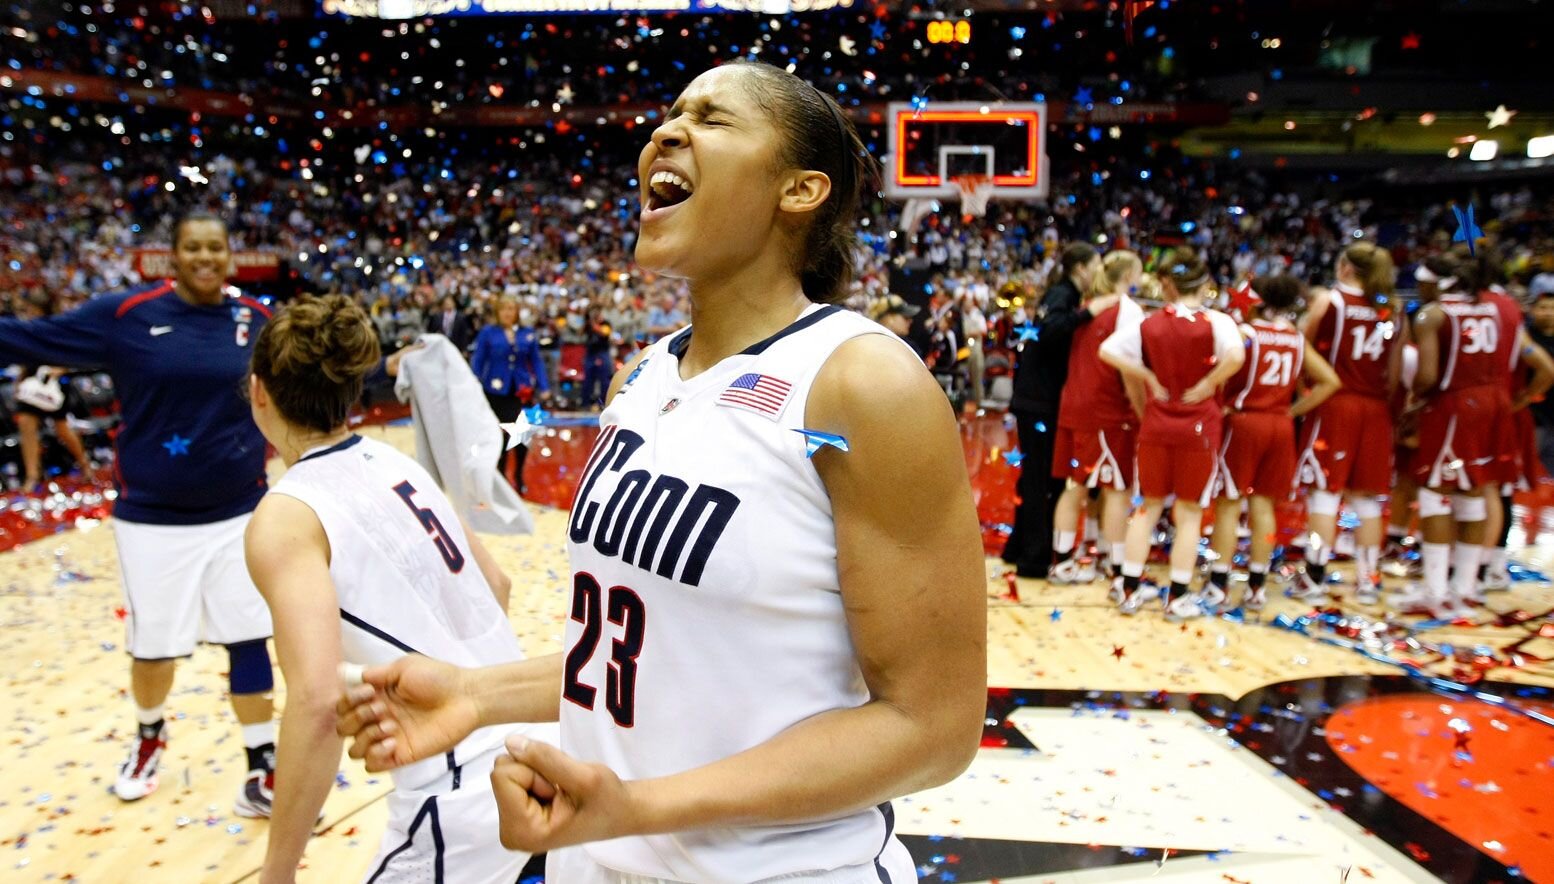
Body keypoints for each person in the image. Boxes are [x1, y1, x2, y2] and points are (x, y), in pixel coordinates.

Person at [336, 60, 986, 882]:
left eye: (713, 119)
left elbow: (932, 730)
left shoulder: (861, 383)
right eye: (671, 112)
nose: (667, 131)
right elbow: (641, 653)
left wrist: (645, 806)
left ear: (800, 190)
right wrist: (475, 694)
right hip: (597, 860)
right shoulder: (639, 380)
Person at [244, 294, 540, 884]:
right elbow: (498, 585)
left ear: (259, 392)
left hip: (458, 795)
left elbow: (316, 702)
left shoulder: (286, 515)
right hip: (537, 743)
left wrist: (277, 873)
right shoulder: (396, 462)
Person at [0, 212, 281, 814]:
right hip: (152, 518)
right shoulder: (125, 317)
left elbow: (309, 376)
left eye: (216, 246)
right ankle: (149, 738)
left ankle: (263, 765)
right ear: (171, 256)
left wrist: (391, 369)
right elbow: (28, 337)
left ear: (229, 254)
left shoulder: (257, 321)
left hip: (240, 511)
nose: (205, 257)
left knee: (248, 637)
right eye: (192, 247)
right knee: (153, 646)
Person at [1100, 248, 1245, 620]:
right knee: (1190, 512)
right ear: (1203, 283)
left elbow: (1108, 350)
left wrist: (1147, 375)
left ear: (1167, 285)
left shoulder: (1148, 323)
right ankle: (1178, 596)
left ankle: (1129, 589)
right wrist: (1210, 382)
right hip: (1199, 427)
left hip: (1157, 423)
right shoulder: (1217, 321)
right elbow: (1237, 357)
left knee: (1147, 508)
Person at [1207, 275, 1341, 610]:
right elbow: (1329, 381)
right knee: (1264, 507)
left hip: (1244, 423)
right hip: (1280, 427)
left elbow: (1219, 372)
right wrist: (1291, 410)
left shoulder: (1248, 334)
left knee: (1228, 505)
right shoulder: (1295, 337)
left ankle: (1218, 584)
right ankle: (1256, 586)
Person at [1294, 242, 1402, 603]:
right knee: (1368, 502)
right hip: (1376, 410)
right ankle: (1368, 582)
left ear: (1344, 267)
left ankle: (1314, 576)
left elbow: (1301, 351)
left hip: (1335, 405)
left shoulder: (1330, 301)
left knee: (1324, 495)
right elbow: (1397, 371)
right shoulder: (1392, 309)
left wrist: (1301, 394)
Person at [1004, 243, 1105, 578]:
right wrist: (1090, 313)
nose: (1099, 272)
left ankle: (1017, 547)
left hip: (1035, 399)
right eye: (1095, 265)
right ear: (1080, 268)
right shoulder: (1062, 294)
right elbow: (1050, 332)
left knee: (1034, 477)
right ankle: (1033, 560)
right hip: (1038, 402)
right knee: (1041, 480)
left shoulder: (1062, 295)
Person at [1048, 250, 1135, 587]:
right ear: (1129, 276)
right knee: (1114, 489)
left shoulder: (1085, 306)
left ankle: (1067, 558)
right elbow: (1128, 369)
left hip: (1073, 404)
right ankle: (1115, 566)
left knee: (1076, 484)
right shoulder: (1124, 310)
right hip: (1106, 408)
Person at [470, 296, 548, 494]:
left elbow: (537, 361)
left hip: (524, 392)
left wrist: (544, 386)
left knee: (522, 437)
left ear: (517, 312)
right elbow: (478, 358)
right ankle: (501, 477)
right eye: (503, 308)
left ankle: (519, 475)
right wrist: (473, 381)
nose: (507, 312)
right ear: (497, 312)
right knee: (500, 437)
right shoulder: (488, 332)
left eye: (511, 308)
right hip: (495, 392)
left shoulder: (528, 333)